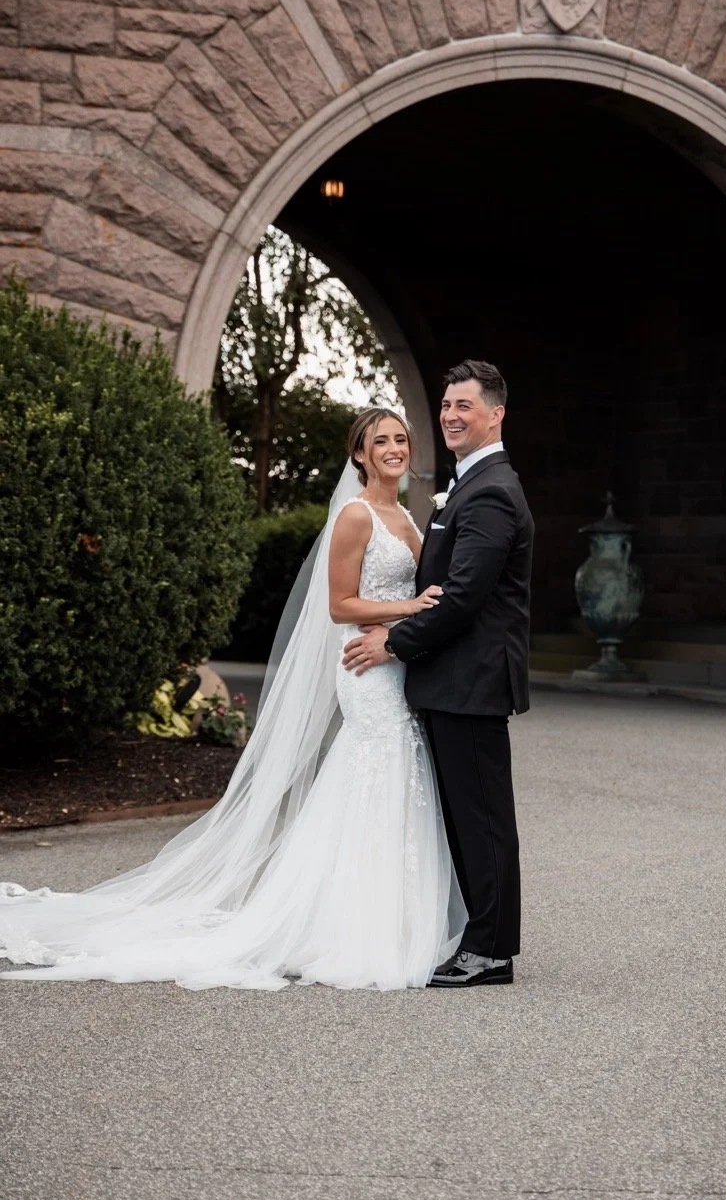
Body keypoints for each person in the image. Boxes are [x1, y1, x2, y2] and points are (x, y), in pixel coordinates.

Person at [0, 408, 466, 991]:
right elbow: (340, 605)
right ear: (360, 454)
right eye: (381, 442)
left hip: (394, 662)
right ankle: (351, 928)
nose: (394, 448)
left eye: (401, 439)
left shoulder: (405, 515)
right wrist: (409, 609)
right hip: (366, 670)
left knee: (392, 778)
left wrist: (409, 622)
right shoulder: (355, 515)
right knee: (380, 769)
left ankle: (385, 915)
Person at [343, 360, 534, 988]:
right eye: (447, 404)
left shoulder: (492, 491)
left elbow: (461, 598)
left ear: (495, 414)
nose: (451, 414)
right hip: (454, 681)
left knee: (482, 818)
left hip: (472, 682)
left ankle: (489, 951)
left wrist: (392, 642)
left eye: (465, 406)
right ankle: (478, 937)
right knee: (467, 814)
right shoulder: (469, 487)